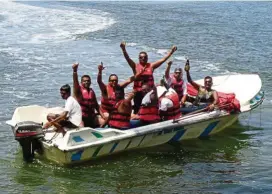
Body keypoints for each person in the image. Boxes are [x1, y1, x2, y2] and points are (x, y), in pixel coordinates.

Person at [120, 41, 177, 114]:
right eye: (141, 57)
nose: (143, 58)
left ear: (147, 58)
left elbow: (163, 60)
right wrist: (123, 49)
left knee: (151, 109)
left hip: (150, 92)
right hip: (138, 92)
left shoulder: (151, 66)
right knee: (138, 110)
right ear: (139, 58)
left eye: (145, 57)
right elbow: (127, 58)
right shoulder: (135, 66)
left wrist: (171, 52)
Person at [72, 63, 105, 128]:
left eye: (88, 81)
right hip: (82, 118)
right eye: (84, 81)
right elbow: (75, 81)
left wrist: (103, 116)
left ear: (90, 82)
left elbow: (96, 105)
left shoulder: (91, 91)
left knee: (105, 122)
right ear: (81, 82)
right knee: (82, 128)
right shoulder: (78, 91)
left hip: (92, 117)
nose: (86, 82)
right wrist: (75, 71)